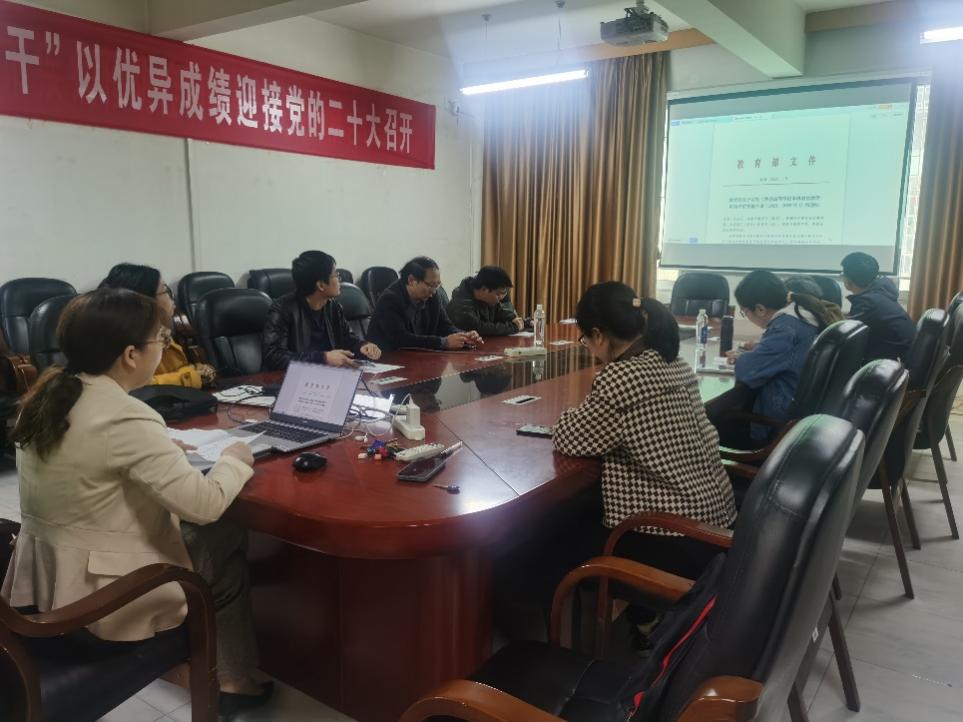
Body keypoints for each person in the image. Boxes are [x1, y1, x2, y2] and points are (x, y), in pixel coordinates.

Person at [1, 289, 271, 717]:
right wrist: (234, 459)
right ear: (130, 354)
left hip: (45, 582)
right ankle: (235, 680)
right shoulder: (126, 415)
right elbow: (205, 504)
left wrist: (162, 454)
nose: (164, 348)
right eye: (160, 340)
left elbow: (90, 466)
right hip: (100, 602)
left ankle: (216, 668)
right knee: (222, 537)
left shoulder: (48, 394)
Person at [706, 270, 834, 447]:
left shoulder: (785, 328)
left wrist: (744, 358)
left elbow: (747, 372)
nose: (746, 316)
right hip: (803, 421)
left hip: (773, 427)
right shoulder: (802, 314)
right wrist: (758, 352)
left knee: (704, 421)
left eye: (744, 312)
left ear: (760, 309)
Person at [99, 263, 216, 388]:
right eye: (166, 291)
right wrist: (189, 377)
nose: (173, 298)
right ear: (146, 300)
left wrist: (198, 370)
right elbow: (136, 387)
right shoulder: (126, 343)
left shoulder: (160, 330)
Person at [261, 250, 382, 370]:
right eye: (336, 275)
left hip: (327, 375)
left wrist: (362, 347)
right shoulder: (282, 309)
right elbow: (273, 356)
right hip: (290, 378)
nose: (339, 279)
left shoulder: (333, 306)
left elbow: (347, 340)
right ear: (321, 285)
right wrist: (323, 358)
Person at [366, 257, 483, 351]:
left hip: (420, 358)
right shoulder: (390, 300)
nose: (434, 291)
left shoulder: (432, 296)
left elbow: (444, 325)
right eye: (431, 285)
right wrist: (444, 342)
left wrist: (463, 336)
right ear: (411, 280)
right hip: (388, 360)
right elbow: (400, 339)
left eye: (437, 285)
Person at [841, 252, 916, 361]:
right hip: (904, 355)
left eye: (842, 274)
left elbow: (847, 334)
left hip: (894, 363)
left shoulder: (867, 302)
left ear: (848, 281)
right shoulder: (881, 292)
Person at [446, 266, 525, 336]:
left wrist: (523, 322)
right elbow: (480, 328)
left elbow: (502, 315)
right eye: (498, 294)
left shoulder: (488, 300)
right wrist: (513, 327)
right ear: (484, 289)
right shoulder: (460, 304)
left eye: (503, 294)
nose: (500, 298)